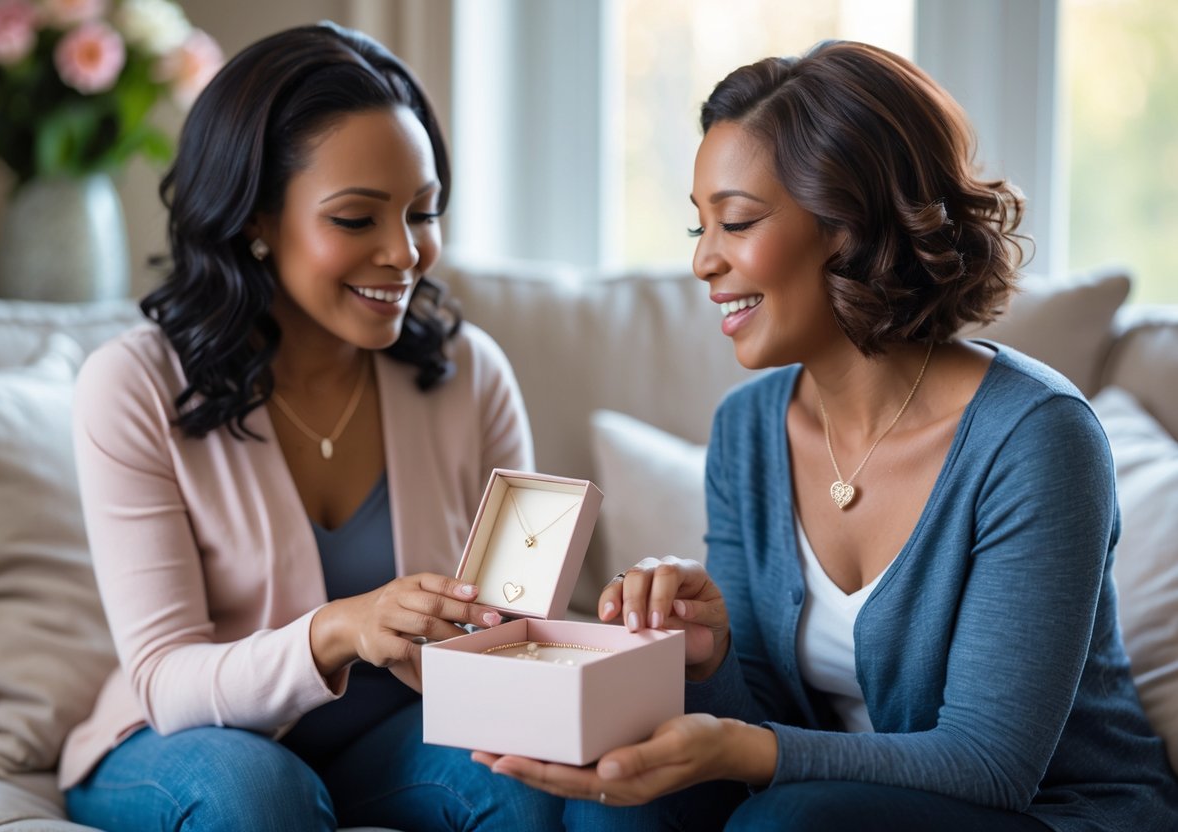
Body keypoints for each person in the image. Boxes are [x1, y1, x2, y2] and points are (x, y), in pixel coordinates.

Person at [475, 40, 1178, 830]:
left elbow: (990, 764)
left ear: (847, 226)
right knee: (618, 807)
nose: (704, 260)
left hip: (1055, 812)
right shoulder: (747, 430)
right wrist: (709, 656)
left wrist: (739, 749)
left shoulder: (1037, 439)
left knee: (784, 823)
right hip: (834, 804)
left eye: (735, 221)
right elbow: (769, 716)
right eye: (697, 226)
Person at [60, 22, 568, 831]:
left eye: (423, 212)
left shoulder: (471, 375)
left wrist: (595, 634)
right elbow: (165, 676)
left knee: (521, 779)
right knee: (258, 796)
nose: (405, 253)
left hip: (389, 737)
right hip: (185, 736)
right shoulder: (134, 386)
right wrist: (337, 629)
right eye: (358, 218)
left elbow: (518, 638)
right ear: (256, 219)